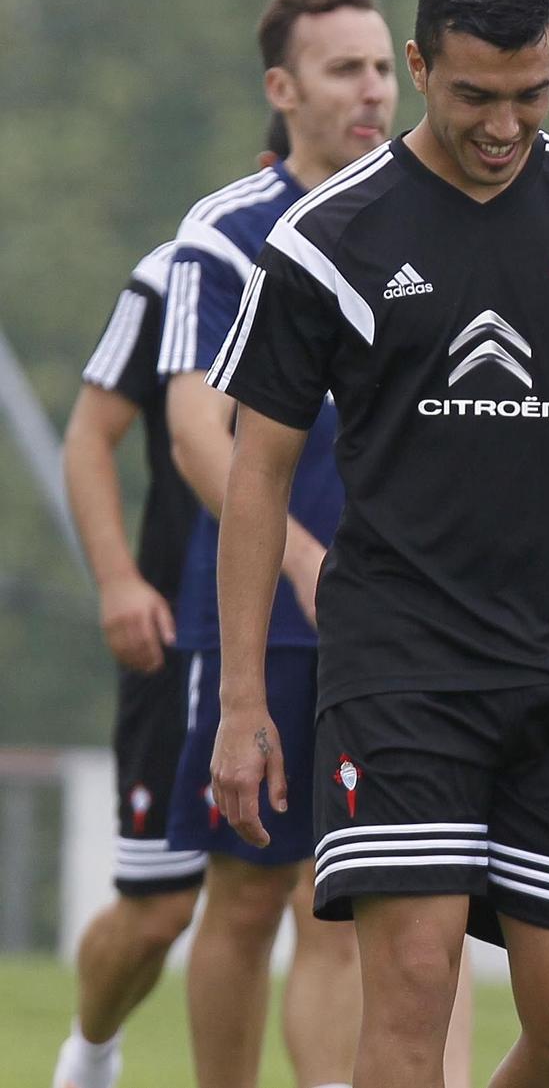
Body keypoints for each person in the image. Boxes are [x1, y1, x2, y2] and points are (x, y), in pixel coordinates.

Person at [206, 0, 549, 1088]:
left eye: (530, 95)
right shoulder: (328, 237)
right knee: (413, 989)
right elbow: (256, 472)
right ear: (420, 66)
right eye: (475, 95)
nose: (503, 124)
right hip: (400, 661)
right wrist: (245, 696)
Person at [155, 0, 398, 1088]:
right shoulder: (228, 229)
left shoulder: (421, 214)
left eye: (384, 67)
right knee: (248, 893)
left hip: (393, 623)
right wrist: (302, 559)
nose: (373, 92)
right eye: (345, 69)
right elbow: (196, 427)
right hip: (262, 618)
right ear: (282, 86)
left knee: (338, 901)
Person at [52, 242, 207, 1088]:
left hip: (339, 635)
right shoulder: (184, 267)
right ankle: (90, 1051)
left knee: (319, 904)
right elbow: (89, 436)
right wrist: (118, 580)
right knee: (159, 910)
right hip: (185, 633)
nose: (366, 98)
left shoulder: (398, 246)